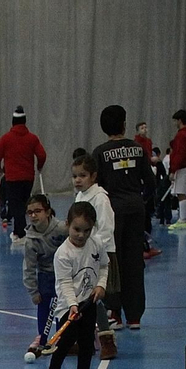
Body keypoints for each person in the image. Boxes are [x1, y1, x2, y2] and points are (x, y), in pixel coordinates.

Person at [92, 104, 153, 333]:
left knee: (112, 261)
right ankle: (135, 315)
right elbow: (150, 183)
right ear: (124, 124)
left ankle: (114, 312)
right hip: (136, 210)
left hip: (112, 212)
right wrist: (140, 201)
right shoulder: (138, 149)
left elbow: (95, 185)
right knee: (135, 261)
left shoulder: (99, 152)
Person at [43, 201, 108, 369]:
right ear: (67, 224)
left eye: (86, 230)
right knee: (66, 341)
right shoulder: (63, 254)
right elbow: (64, 283)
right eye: (76, 229)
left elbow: (104, 266)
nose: (81, 235)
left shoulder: (96, 244)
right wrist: (72, 305)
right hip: (68, 306)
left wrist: (101, 285)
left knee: (87, 340)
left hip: (89, 302)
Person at [70, 151, 117, 358]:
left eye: (83, 175)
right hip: (82, 256)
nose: (78, 180)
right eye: (75, 176)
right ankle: (83, 340)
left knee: (94, 298)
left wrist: (92, 251)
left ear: (93, 176)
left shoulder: (100, 199)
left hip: (101, 256)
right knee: (82, 298)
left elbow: (106, 230)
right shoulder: (80, 197)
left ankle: (107, 341)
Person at [0, 105, 46, 241]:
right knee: (24, 203)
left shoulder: (6, 138)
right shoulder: (32, 138)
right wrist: (39, 166)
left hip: (12, 178)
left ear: (13, 122)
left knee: (16, 206)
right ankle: (19, 231)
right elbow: (42, 155)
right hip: (28, 178)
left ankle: (20, 234)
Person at [21, 192, 65, 355]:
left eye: (37, 211)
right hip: (45, 275)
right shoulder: (31, 240)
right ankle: (43, 337)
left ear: (47, 212)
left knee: (63, 307)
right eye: (30, 212)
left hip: (64, 275)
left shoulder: (61, 229)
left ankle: (61, 336)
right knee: (43, 304)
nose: (33, 215)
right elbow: (29, 267)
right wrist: (33, 291)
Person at [168, 110, 186, 227]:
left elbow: (179, 153)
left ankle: (183, 220)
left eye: (175, 120)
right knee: (182, 192)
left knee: (181, 193)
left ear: (180, 120)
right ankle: (182, 218)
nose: (174, 123)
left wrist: (173, 170)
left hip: (182, 167)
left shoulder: (182, 135)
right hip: (185, 166)